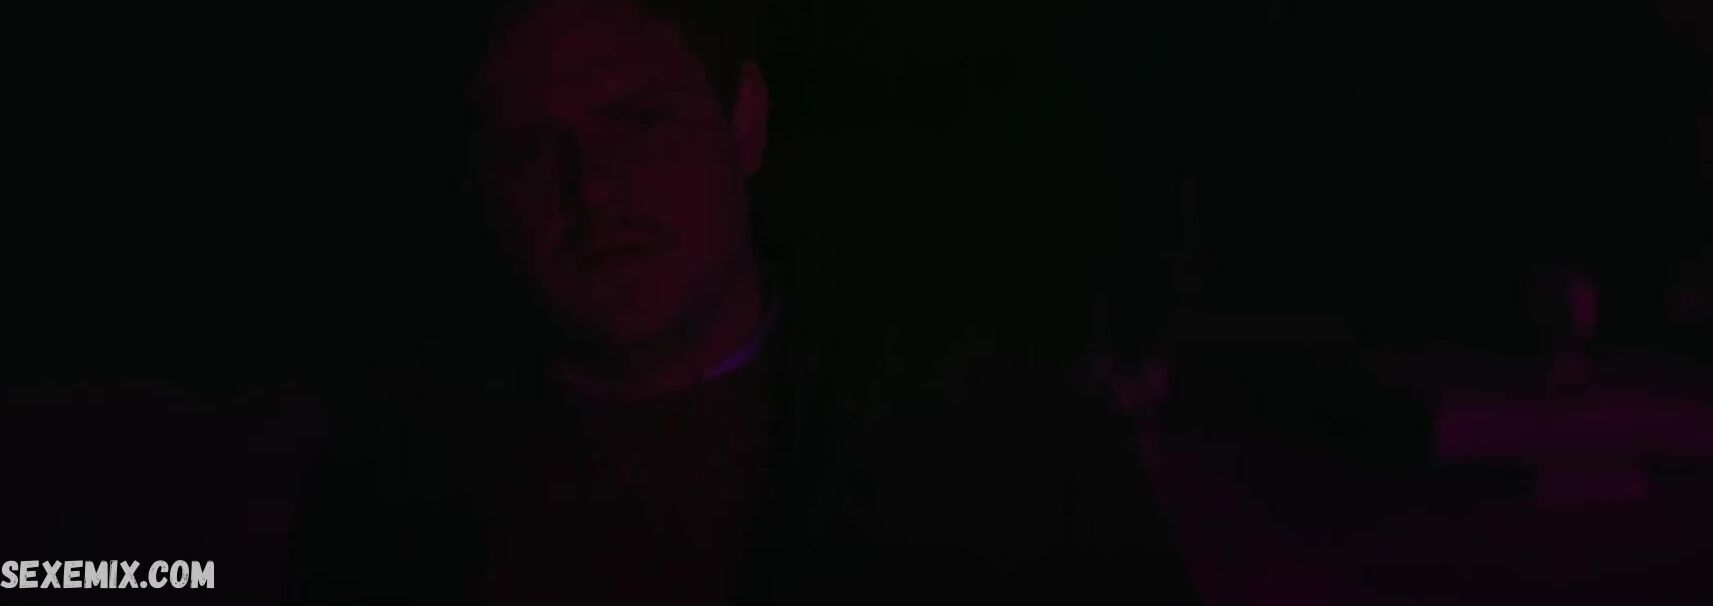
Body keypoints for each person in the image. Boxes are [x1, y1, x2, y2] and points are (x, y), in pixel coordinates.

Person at [286, 1, 1197, 603]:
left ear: (744, 119)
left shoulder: (994, 452)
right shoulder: (395, 494)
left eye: (635, 121)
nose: (591, 186)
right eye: (529, 147)